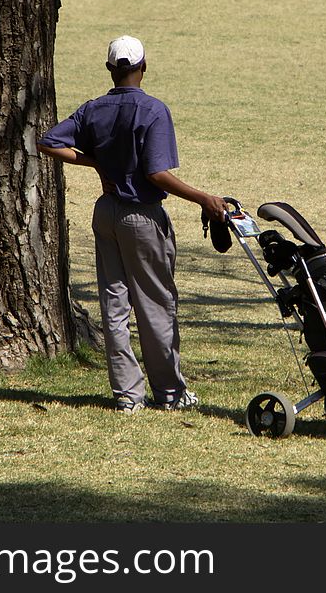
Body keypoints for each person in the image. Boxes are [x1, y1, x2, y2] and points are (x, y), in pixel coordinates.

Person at [37, 35, 229, 414]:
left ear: (110, 69)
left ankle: (128, 396)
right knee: (156, 304)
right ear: (144, 67)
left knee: (114, 304)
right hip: (142, 217)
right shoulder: (154, 111)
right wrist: (205, 199)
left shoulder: (94, 109)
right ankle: (170, 394)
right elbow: (156, 173)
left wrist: (97, 164)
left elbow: (47, 142)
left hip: (106, 213)